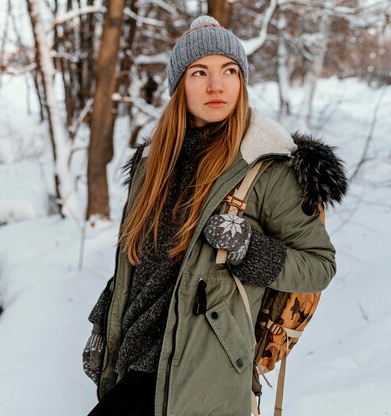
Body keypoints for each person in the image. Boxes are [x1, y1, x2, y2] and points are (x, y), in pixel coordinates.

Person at [82, 15, 347, 416]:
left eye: (229, 71)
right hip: (132, 363)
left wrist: (250, 249)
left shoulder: (266, 169)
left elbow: (319, 265)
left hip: (201, 375)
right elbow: (141, 264)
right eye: (199, 72)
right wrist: (104, 320)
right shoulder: (151, 164)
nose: (216, 85)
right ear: (179, 85)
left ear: (242, 81)